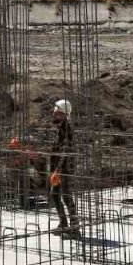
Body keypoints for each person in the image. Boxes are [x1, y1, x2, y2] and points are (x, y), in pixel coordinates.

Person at [48, 99, 81, 238]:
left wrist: (59, 169)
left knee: (66, 197)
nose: (54, 115)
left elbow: (65, 151)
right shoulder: (61, 127)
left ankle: (75, 228)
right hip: (59, 169)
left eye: (56, 113)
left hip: (64, 169)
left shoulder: (67, 129)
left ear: (63, 113)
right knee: (54, 195)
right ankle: (63, 223)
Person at [6, 136, 45, 210]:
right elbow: (12, 162)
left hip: (26, 169)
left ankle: (27, 200)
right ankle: (25, 202)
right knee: (24, 184)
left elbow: (33, 160)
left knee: (30, 179)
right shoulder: (16, 151)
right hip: (20, 171)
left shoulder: (25, 151)